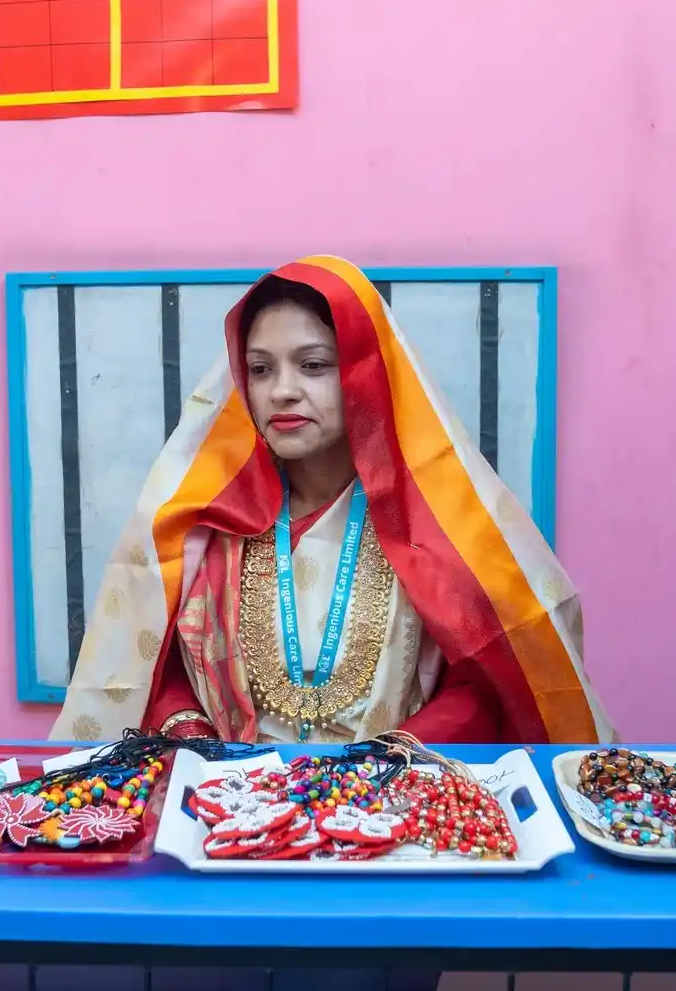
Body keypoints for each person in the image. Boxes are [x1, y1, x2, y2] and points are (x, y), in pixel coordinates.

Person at [53, 255, 613, 750]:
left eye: (314, 365)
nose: (282, 391)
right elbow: (156, 660)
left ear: (367, 375)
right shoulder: (210, 526)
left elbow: (487, 678)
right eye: (260, 369)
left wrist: (392, 757)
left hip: (390, 801)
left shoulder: (435, 525)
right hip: (231, 803)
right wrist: (191, 733)